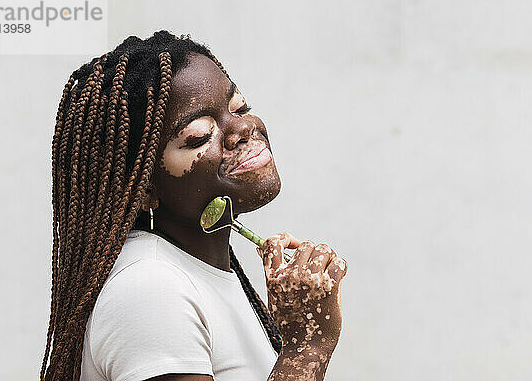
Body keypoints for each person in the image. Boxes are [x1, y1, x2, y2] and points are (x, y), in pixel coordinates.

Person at [40, 30, 348, 381]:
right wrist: (306, 348)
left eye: (239, 108)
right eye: (200, 135)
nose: (243, 128)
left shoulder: (199, 272)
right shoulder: (150, 290)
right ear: (144, 190)